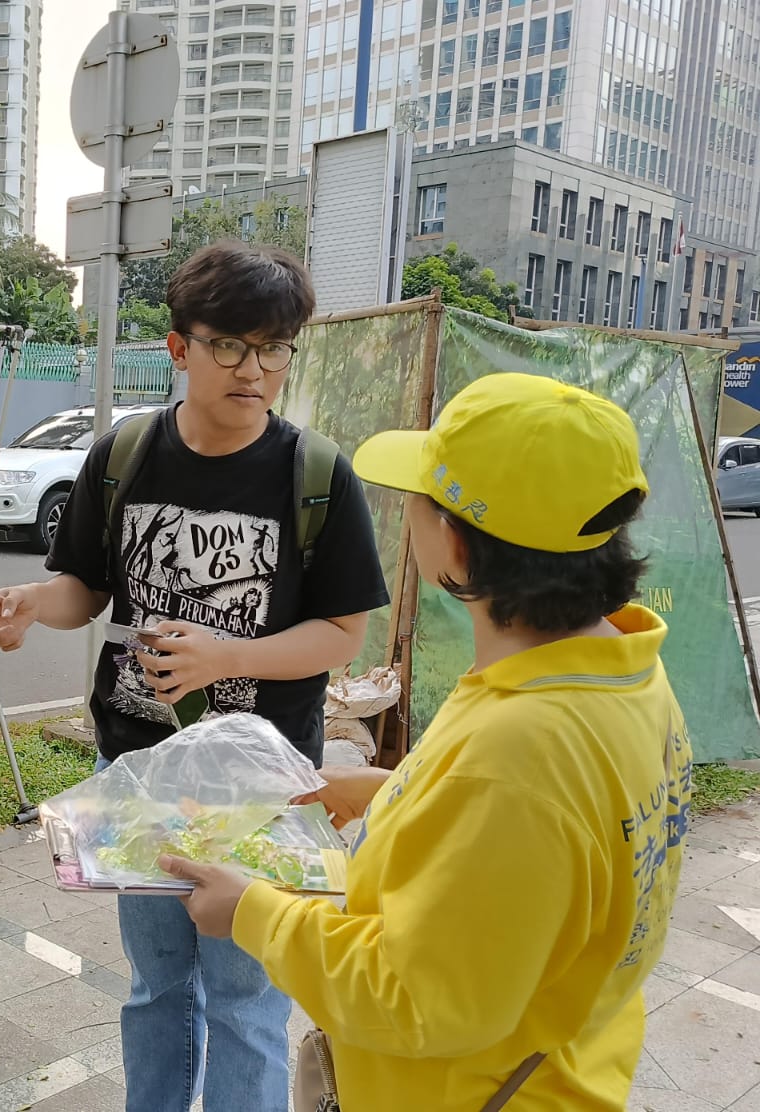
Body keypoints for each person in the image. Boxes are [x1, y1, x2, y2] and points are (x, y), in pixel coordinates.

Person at [161, 372, 693, 1111]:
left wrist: (254, 912)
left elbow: (417, 998)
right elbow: (559, 847)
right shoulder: (623, 676)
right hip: (567, 1061)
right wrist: (399, 794)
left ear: (456, 544)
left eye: (420, 495)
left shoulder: (517, 751)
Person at [0, 242, 390, 1111]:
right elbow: (87, 589)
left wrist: (229, 656)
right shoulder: (123, 454)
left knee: (245, 1001)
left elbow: (343, 635)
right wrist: (34, 603)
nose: (254, 370)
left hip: (263, 789)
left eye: (274, 348)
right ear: (180, 348)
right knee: (156, 989)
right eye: (230, 345)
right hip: (137, 775)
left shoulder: (315, 476)